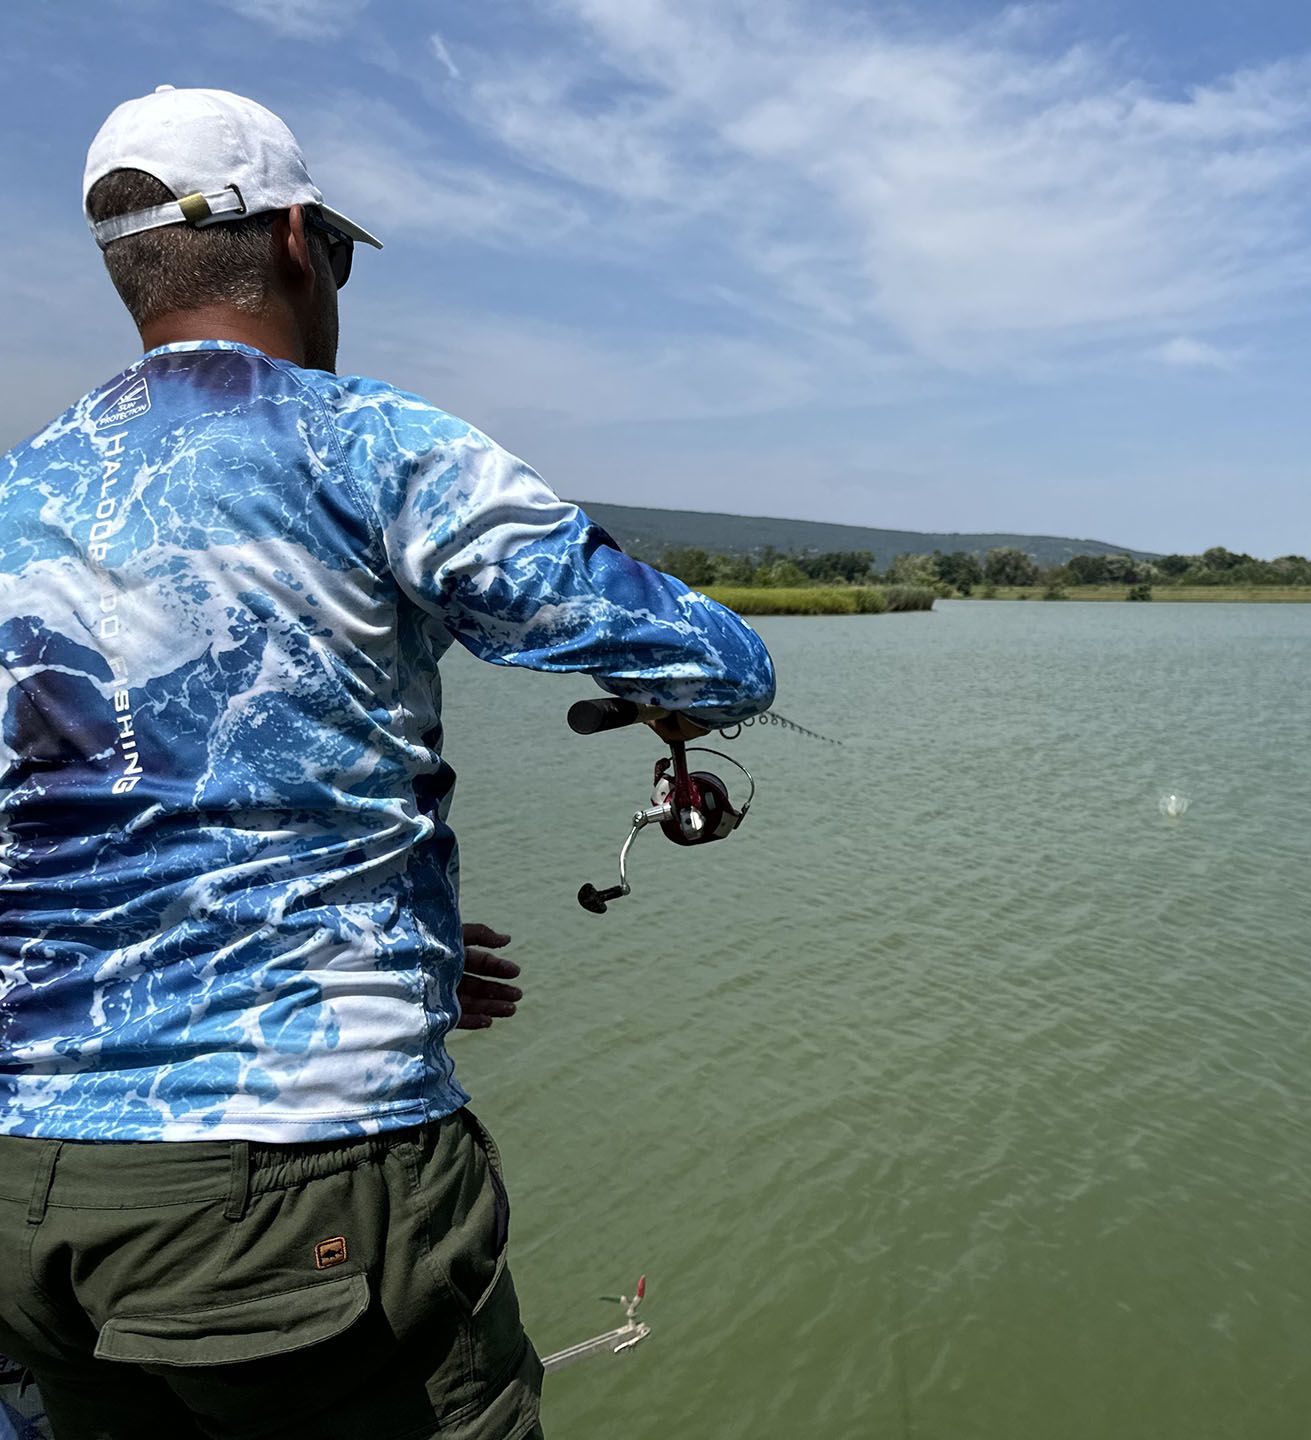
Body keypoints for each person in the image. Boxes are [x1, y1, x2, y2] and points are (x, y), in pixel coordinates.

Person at [0, 86, 775, 1439]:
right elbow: (715, 667)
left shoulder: (17, 498)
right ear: (303, 242)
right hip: (299, 1204)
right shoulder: (369, 446)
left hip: (26, 1203)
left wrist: (381, 951)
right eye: (338, 254)